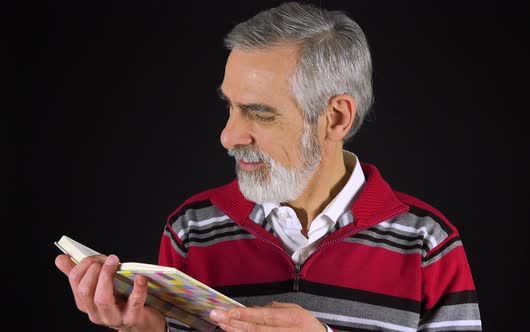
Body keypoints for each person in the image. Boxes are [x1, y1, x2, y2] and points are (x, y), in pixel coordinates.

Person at [55, 2, 482, 331]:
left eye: (259, 112)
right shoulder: (192, 230)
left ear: (335, 118)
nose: (228, 136)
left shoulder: (429, 245)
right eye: (230, 106)